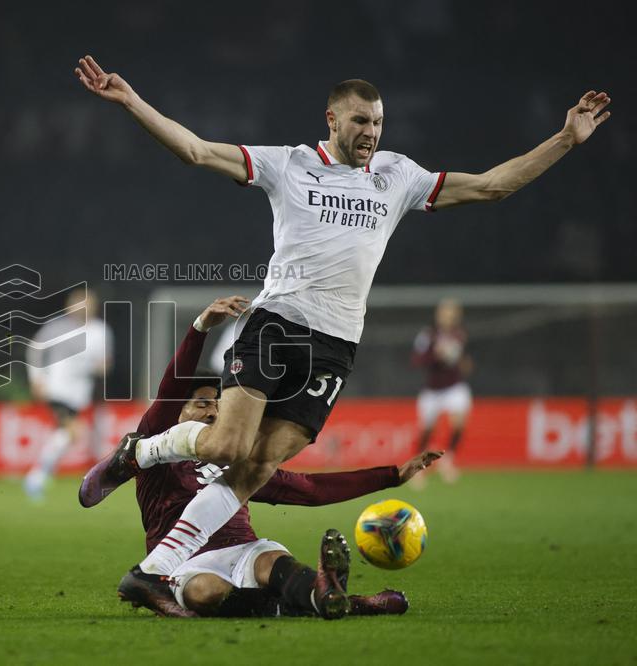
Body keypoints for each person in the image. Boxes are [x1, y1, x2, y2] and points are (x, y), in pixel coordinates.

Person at [74, 54, 611, 601]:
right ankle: (137, 454)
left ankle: (153, 570)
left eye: (378, 122)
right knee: (227, 445)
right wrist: (131, 100)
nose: (371, 133)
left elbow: (493, 186)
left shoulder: (398, 176)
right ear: (331, 119)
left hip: (335, 346)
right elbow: (196, 150)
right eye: (360, 121)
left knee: (258, 466)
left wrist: (566, 137)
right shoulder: (288, 164)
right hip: (277, 325)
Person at [80, 296, 442, 617]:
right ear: (178, 412)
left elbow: (309, 490)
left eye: (217, 406)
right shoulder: (162, 440)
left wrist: (392, 475)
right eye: (202, 403)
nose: (211, 413)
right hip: (183, 562)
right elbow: (170, 388)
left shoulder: (241, 463)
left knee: (274, 562)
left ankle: (323, 593)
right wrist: (199, 328)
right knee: (206, 591)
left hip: (244, 550)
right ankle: (344, 602)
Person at [24, 287, 112, 500]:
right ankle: (36, 478)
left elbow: (105, 365)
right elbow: (34, 349)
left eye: (87, 303)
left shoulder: (101, 331)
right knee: (73, 430)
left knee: (66, 434)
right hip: (57, 389)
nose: (83, 307)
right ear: (70, 306)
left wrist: (95, 367)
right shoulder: (57, 327)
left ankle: (39, 476)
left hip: (79, 394)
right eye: (78, 302)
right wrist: (36, 377)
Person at [411, 298, 472, 486]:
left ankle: (448, 459)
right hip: (432, 389)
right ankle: (417, 468)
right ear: (438, 315)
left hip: (453, 386)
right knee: (428, 430)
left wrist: (464, 363)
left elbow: (464, 362)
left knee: (459, 422)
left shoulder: (459, 335)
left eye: (451, 314)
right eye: (445, 313)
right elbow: (417, 360)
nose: (448, 317)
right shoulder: (428, 335)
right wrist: (435, 355)